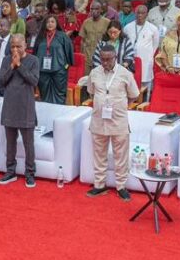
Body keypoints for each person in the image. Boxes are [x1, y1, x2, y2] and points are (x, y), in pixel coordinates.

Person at [86, 44, 141, 200]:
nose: (105, 63)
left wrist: (120, 106)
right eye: (102, 59)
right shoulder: (94, 73)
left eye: (108, 59)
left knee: (120, 155)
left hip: (118, 120)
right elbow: (91, 92)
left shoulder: (125, 73)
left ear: (115, 57)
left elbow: (134, 95)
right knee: (99, 154)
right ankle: (99, 185)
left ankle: (121, 186)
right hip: (99, 120)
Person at [0, 34, 41, 187]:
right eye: (12, 46)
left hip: (26, 107)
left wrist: (19, 65)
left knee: (28, 144)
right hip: (9, 106)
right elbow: (1, 81)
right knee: (10, 143)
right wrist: (12, 66)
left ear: (25, 45)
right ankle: (10, 171)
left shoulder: (33, 60)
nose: (15, 49)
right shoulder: (6, 60)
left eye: (18, 46)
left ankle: (30, 173)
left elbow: (34, 80)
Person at [34, 15, 74, 104]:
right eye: (48, 22)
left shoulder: (62, 36)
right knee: (44, 93)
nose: (50, 24)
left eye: (52, 22)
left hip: (59, 70)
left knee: (59, 94)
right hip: (43, 71)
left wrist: (66, 66)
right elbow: (35, 52)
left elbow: (69, 52)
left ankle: (59, 110)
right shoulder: (41, 36)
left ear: (56, 23)